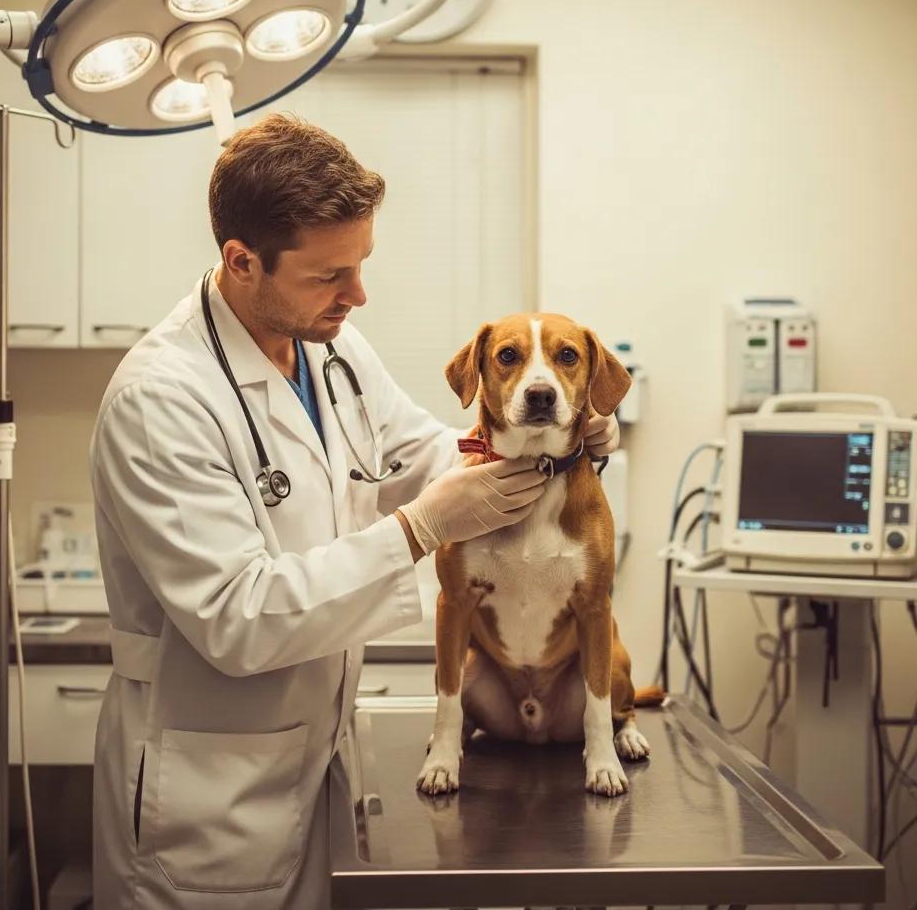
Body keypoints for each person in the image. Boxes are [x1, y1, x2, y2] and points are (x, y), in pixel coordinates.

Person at [89, 113, 620, 909]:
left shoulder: (330, 344)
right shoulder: (159, 400)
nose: (358, 294)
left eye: (361, 264)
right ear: (241, 262)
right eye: (329, 275)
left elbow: (431, 456)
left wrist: (545, 443)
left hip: (325, 758)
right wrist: (418, 530)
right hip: (210, 790)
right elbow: (241, 618)